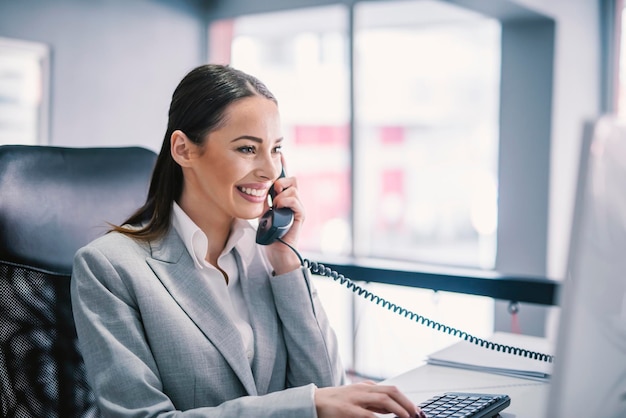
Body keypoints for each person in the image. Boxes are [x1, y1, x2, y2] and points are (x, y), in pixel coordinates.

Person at [71, 64, 425, 418]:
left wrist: (286, 262)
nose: (271, 171)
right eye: (246, 149)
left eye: (275, 150)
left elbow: (327, 387)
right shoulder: (109, 267)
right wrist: (304, 405)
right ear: (184, 150)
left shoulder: (265, 256)